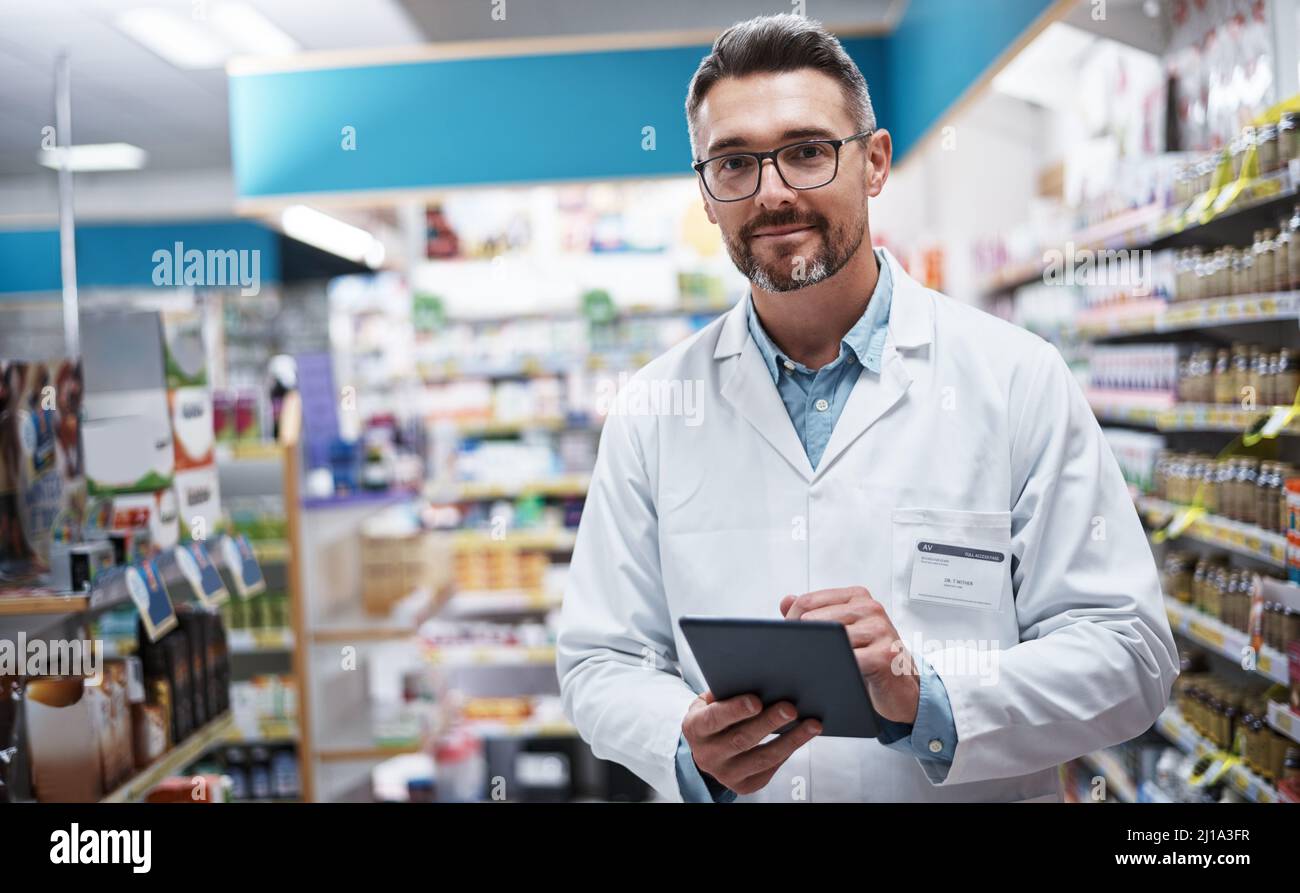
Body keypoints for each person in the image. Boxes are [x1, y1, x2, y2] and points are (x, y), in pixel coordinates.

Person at [556, 13, 1177, 802]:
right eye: (735, 163)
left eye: (808, 151)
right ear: (708, 196)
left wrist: (929, 697)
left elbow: (1130, 654)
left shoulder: (1016, 379)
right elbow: (598, 660)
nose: (773, 191)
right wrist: (682, 742)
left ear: (874, 163)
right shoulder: (652, 410)